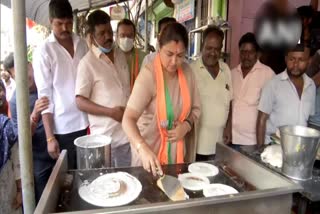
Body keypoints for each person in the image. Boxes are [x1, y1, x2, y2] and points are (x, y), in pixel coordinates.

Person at [122, 23, 201, 176]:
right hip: (149, 158)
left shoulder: (187, 73)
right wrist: (142, 148)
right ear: (159, 47)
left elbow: (196, 109)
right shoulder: (149, 75)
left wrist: (186, 125)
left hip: (176, 156)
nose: (174, 61)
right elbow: (128, 119)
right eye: (169, 54)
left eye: (180, 55)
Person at [33, 0, 88, 169]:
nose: (65, 28)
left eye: (68, 23)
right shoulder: (44, 51)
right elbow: (45, 97)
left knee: (88, 172)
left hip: (87, 120)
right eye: (59, 24)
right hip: (63, 128)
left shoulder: (82, 43)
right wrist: (50, 138)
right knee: (70, 177)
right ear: (50, 22)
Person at [76, 10, 131, 167]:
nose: (108, 36)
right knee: (108, 185)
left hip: (127, 135)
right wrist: (111, 112)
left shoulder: (120, 55)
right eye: (102, 33)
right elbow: (80, 101)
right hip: (105, 140)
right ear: (92, 37)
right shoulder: (87, 64)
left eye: (109, 31)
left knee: (128, 180)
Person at [10, 61, 53, 203]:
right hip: (39, 158)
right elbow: (22, 139)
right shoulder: (16, 101)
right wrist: (34, 114)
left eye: (25, 71)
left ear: (30, 65)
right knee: (45, 200)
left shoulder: (46, 82)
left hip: (60, 145)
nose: (24, 78)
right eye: (17, 77)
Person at [256, 44, 316, 146]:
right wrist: (260, 149)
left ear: (308, 61)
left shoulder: (311, 86)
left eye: (301, 60)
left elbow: (309, 120)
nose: (296, 64)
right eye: (292, 59)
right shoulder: (273, 84)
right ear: (285, 59)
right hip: (274, 147)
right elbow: (261, 119)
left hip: (298, 147)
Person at [190, 26, 232, 161]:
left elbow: (230, 101)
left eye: (217, 49)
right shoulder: (191, 70)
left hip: (220, 143)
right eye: (209, 48)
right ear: (202, 46)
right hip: (198, 145)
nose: (213, 53)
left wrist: (228, 127)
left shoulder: (225, 69)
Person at [231, 33, 274, 147]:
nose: (246, 56)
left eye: (250, 52)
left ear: (257, 54)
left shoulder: (268, 74)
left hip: (252, 142)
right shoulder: (232, 73)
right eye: (243, 52)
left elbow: (273, 108)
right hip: (231, 138)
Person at [0, 81, 22, 214]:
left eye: (1, 89)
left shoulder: (6, 127)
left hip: (8, 194)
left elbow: (17, 162)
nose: (0, 94)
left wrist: (20, 191)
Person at [116, 19, 147, 90]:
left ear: (134, 37)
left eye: (130, 35)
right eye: (122, 35)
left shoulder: (144, 57)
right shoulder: (110, 57)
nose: (126, 39)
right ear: (117, 36)